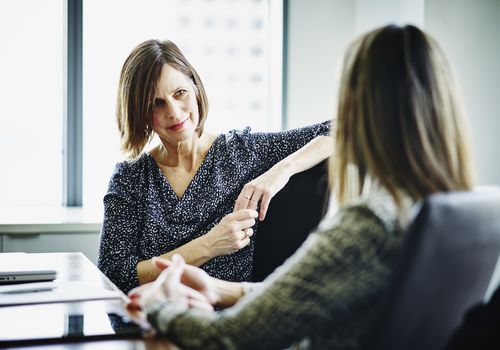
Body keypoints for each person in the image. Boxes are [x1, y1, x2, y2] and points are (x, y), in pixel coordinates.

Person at [125, 24, 475, 349]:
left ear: (355, 104)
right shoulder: (452, 214)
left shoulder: (367, 224)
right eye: (156, 103)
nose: (173, 111)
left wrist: (159, 306)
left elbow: (224, 337)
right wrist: (220, 288)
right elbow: (311, 294)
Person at [97, 39, 332, 294]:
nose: (174, 113)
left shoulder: (241, 152)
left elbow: (344, 128)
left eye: (179, 93)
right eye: (157, 103)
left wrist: (279, 171)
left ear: (196, 89)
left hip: (227, 319)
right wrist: (209, 245)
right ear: (140, 112)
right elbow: (114, 274)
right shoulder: (130, 177)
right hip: (150, 320)